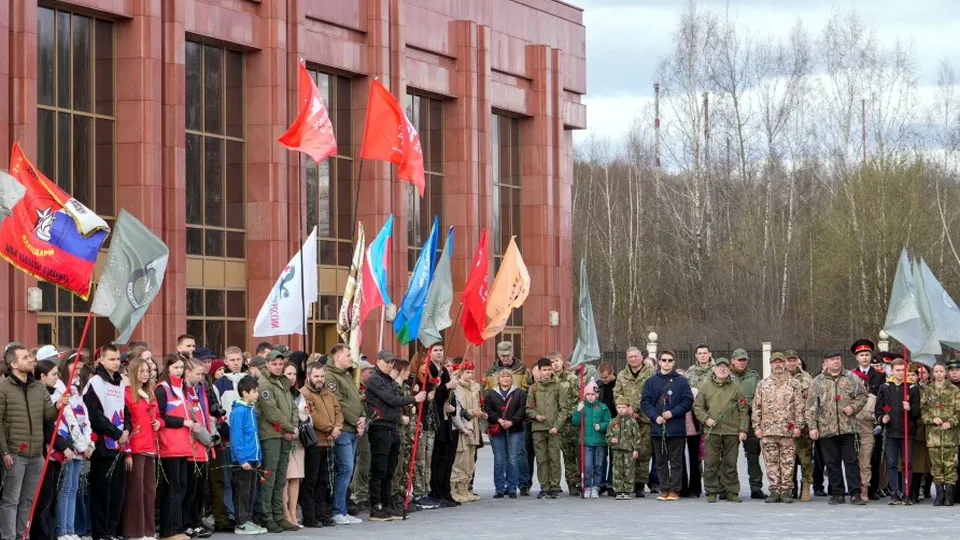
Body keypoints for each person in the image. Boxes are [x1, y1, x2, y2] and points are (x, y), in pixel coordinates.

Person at [0, 343, 63, 540]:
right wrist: (4, 452)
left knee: (28, 499)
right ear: (13, 364)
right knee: (11, 500)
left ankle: (22, 535)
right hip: (15, 453)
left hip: (36, 454)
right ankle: (9, 537)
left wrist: (59, 406)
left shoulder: (38, 387)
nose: (31, 359)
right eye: (25, 357)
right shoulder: (3, 389)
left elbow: (48, 415)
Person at [364, 351, 426, 521]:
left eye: (392, 362)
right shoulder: (375, 379)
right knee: (379, 468)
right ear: (378, 361)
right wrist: (414, 398)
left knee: (390, 469)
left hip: (392, 426)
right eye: (387, 362)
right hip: (380, 426)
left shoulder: (388, 380)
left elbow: (395, 399)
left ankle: (386, 503)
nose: (390, 365)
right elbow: (390, 399)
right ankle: (376, 505)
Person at [806, 349, 868, 505]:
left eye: (838, 359)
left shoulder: (851, 377)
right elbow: (811, 406)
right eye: (832, 359)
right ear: (825, 362)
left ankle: (855, 493)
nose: (836, 362)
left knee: (851, 462)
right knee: (832, 463)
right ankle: (837, 493)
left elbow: (863, 395)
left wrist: (853, 408)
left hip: (848, 428)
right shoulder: (817, 381)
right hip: (827, 429)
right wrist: (812, 427)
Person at [83, 344, 131, 540]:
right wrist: (115, 433)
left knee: (117, 491)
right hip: (104, 444)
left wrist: (126, 429)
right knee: (103, 491)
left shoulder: (120, 383)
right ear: (101, 360)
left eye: (118, 359)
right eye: (112, 359)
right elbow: (94, 415)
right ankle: (101, 532)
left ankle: (112, 530)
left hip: (120, 443)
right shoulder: (95, 383)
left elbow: (126, 410)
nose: (116, 363)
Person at [640, 350, 694, 502]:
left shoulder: (682, 381)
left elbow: (687, 401)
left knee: (676, 461)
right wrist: (655, 416)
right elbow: (645, 402)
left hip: (676, 427)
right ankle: (664, 489)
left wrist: (673, 412)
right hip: (658, 428)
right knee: (661, 461)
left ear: (674, 362)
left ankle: (675, 490)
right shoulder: (651, 381)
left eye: (670, 360)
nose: (667, 363)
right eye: (664, 360)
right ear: (659, 362)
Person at [752, 352, 805, 503]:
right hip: (768, 430)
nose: (778, 365)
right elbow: (757, 407)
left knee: (788, 462)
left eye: (780, 362)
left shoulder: (794, 383)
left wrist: (798, 426)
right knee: (771, 462)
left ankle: (787, 490)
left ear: (785, 363)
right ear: (771, 364)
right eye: (774, 362)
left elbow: (799, 407)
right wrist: (756, 427)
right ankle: (775, 490)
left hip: (787, 431)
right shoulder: (763, 384)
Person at [693, 357, 747, 503]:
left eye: (725, 367)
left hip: (731, 431)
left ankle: (732, 491)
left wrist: (743, 430)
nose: (722, 369)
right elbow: (698, 407)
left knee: (730, 463)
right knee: (710, 462)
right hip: (712, 431)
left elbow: (743, 409)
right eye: (719, 367)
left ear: (729, 369)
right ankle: (711, 491)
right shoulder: (706, 386)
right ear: (714, 369)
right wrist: (706, 419)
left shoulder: (736, 387)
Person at [256, 350, 299, 532]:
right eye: (274, 364)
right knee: (270, 477)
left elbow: (293, 407)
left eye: (280, 364)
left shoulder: (284, 382)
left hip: (285, 435)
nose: (278, 367)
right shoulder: (264, 383)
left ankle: (278, 516)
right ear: (267, 364)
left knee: (281, 477)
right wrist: (290, 428)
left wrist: (293, 427)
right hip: (271, 435)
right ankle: (267, 516)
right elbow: (272, 412)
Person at [483, 341, 533, 496]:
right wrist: (495, 419)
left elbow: (529, 391)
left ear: (513, 354)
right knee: (501, 456)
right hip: (497, 420)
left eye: (508, 355)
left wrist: (517, 418)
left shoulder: (523, 369)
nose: (505, 358)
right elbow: (485, 393)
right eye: (502, 355)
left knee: (519, 454)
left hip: (517, 419)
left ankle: (523, 483)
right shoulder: (491, 371)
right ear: (498, 355)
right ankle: (502, 486)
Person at [122, 356, 163, 540]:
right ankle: (135, 532)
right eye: (141, 371)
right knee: (136, 491)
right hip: (137, 446)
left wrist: (158, 423)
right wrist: (128, 449)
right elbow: (126, 421)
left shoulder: (151, 393)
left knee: (149, 490)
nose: (145, 374)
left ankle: (148, 531)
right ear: (133, 372)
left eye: (147, 371)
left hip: (151, 447)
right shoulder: (128, 393)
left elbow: (160, 418)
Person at [324, 344, 365, 524]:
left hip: (353, 428)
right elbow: (338, 403)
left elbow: (356, 399)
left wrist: (363, 417)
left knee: (348, 469)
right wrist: (356, 420)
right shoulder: (330, 375)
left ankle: (343, 508)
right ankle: (337, 510)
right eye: (348, 355)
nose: (351, 358)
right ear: (337, 357)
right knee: (345, 468)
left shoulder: (346, 375)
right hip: (343, 429)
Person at [156, 354, 195, 540]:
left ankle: (178, 529)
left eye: (181, 368)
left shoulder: (182, 389)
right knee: (172, 489)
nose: (179, 371)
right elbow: (161, 416)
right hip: (169, 445)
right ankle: (169, 530)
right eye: (175, 368)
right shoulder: (162, 389)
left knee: (181, 488)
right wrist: (183, 422)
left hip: (183, 445)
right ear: (167, 369)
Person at [31, 359, 71, 540]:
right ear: (42, 376)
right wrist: (63, 445)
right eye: (54, 374)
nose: (57, 378)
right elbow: (47, 426)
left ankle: (51, 533)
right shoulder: (39, 395)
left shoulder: (53, 393)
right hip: (43, 452)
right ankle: (41, 534)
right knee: (44, 498)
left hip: (54, 453)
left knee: (52, 496)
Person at [55, 351, 93, 540]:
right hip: (67, 444)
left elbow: (84, 418)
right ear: (65, 366)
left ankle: (70, 530)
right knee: (65, 489)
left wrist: (89, 443)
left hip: (80, 445)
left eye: (80, 367)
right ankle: (63, 530)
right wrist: (81, 444)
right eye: (74, 365)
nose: (78, 370)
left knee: (73, 488)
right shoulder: (59, 387)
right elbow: (67, 417)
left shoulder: (78, 388)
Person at [299, 362, 341, 527]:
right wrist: (331, 428)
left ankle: (321, 514)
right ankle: (310, 517)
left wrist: (337, 427)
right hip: (314, 442)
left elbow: (338, 411)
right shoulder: (304, 394)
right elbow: (313, 416)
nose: (320, 379)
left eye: (322, 376)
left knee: (323, 481)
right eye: (316, 376)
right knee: (311, 480)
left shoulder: (329, 393)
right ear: (309, 376)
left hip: (328, 442)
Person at [876, 358, 921, 505]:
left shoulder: (912, 388)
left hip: (908, 432)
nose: (901, 373)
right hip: (891, 432)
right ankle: (895, 492)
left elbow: (917, 412)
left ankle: (907, 492)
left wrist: (910, 408)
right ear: (892, 370)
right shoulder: (885, 387)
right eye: (898, 370)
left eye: (903, 370)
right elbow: (879, 408)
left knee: (907, 463)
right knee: (891, 462)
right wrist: (882, 418)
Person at [613, 346, 655, 497]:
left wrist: (641, 413)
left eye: (636, 356)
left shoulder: (650, 374)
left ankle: (640, 484)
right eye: (630, 357)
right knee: (627, 453)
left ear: (641, 357)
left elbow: (655, 394)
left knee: (643, 452)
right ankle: (627, 484)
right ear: (627, 359)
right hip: (627, 421)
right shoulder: (622, 375)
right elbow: (617, 394)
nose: (633, 359)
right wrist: (628, 408)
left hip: (645, 420)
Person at [526, 357, 569, 499]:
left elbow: (564, 409)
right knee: (541, 459)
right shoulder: (534, 388)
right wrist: (536, 416)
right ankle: (544, 486)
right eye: (544, 370)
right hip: (538, 429)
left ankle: (555, 486)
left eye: (549, 369)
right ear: (539, 371)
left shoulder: (558, 387)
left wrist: (557, 426)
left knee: (554, 459)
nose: (547, 372)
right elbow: (529, 408)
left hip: (553, 429)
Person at [181, 359, 215, 539]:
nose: (201, 377)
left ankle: (195, 521)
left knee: (199, 489)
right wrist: (208, 438)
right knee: (190, 489)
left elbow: (205, 415)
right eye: (198, 374)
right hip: (192, 446)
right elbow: (193, 420)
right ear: (187, 372)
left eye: (202, 374)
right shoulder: (183, 391)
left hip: (202, 447)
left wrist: (211, 436)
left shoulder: (199, 389)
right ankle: (186, 523)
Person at [229, 376, 266, 535]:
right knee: (242, 492)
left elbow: (254, 436)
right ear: (245, 393)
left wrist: (258, 457)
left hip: (253, 458)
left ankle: (249, 519)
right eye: (254, 391)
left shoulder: (250, 409)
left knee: (251, 492)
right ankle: (241, 522)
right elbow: (237, 437)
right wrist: (242, 459)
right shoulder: (239, 412)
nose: (257, 394)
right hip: (243, 459)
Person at [483, 368, 526, 499]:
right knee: (499, 459)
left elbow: (522, 410)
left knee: (513, 458)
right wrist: (499, 419)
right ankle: (499, 489)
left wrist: (512, 422)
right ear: (498, 379)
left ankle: (512, 488)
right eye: (503, 377)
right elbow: (488, 410)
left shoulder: (519, 393)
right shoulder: (491, 394)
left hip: (515, 428)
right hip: (497, 429)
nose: (505, 379)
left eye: (508, 376)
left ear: (511, 378)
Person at [921, 362, 959, 506]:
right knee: (936, 466)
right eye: (935, 371)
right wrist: (932, 418)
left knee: (950, 466)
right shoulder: (927, 390)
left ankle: (949, 496)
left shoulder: (954, 390)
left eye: (941, 371)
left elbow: (959, 411)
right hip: (933, 435)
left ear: (946, 373)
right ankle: (939, 495)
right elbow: (923, 411)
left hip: (950, 435)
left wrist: (951, 422)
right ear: (932, 373)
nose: (938, 374)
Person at [729, 348, 765, 499]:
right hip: (731, 420)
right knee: (729, 456)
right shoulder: (726, 376)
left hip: (750, 420)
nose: (742, 363)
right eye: (739, 360)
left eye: (744, 360)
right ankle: (728, 488)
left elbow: (759, 397)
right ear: (733, 361)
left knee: (753, 455)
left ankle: (756, 487)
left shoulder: (753, 376)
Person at [451, 361, 485, 503]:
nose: (470, 375)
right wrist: (471, 413)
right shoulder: (456, 387)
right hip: (463, 426)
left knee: (469, 461)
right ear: (461, 373)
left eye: (472, 372)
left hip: (474, 427)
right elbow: (460, 410)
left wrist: (481, 413)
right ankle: (454, 489)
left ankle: (465, 488)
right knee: (460, 460)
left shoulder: (476, 387)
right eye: (467, 372)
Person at [547, 352, 581, 496]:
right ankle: (568, 482)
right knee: (564, 455)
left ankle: (577, 483)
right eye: (552, 361)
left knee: (575, 454)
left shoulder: (572, 378)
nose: (555, 364)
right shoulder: (549, 380)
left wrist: (570, 415)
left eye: (557, 360)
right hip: (556, 423)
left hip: (571, 422)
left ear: (562, 362)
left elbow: (578, 398)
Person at [571, 381, 611, 499]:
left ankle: (596, 487)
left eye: (593, 394)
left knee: (598, 465)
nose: (590, 397)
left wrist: (602, 426)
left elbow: (609, 422)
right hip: (586, 442)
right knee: (587, 466)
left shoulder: (603, 408)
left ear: (597, 395)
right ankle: (587, 486)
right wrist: (578, 411)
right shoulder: (582, 407)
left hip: (599, 441)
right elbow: (576, 422)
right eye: (588, 394)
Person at [786, 350, 815, 500]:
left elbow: (811, 400)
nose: (791, 363)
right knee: (787, 458)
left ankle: (806, 485)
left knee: (804, 458)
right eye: (788, 360)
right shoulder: (779, 377)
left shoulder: (806, 377)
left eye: (793, 360)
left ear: (798, 361)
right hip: (785, 425)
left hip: (802, 424)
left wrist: (810, 423)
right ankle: (790, 487)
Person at [349, 359, 375, 514]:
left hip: (368, 427)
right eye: (369, 372)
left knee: (365, 461)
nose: (371, 375)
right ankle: (358, 494)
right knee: (361, 461)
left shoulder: (367, 388)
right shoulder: (355, 388)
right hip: (357, 428)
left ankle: (362, 492)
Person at [281, 363, 305, 528]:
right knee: (284, 478)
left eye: (294, 374)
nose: (292, 377)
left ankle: (293, 512)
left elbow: (305, 413)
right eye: (288, 373)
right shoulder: (279, 392)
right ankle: (285, 514)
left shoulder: (299, 394)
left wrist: (298, 425)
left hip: (298, 439)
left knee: (296, 477)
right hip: (283, 437)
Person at [607, 396, 642, 500]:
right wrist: (611, 440)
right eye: (619, 407)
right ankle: (618, 490)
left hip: (628, 450)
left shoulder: (632, 421)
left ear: (628, 408)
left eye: (623, 407)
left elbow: (637, 436)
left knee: (628, 470)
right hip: (617, 450)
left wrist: (636, 449)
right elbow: (608, 435)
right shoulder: (613, 421)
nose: (621, 409)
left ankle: (627, 491)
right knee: (617, 470)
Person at [595, 363, 617, 496]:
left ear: (612, 373)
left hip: (616, 421)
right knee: (601, 455)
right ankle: (601, 483)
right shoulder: (598, 385)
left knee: (615, 455)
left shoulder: (619, 382)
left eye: (606, 377)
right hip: (603, 423)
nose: (604, 380)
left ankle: (611, 483)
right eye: (602, 377)